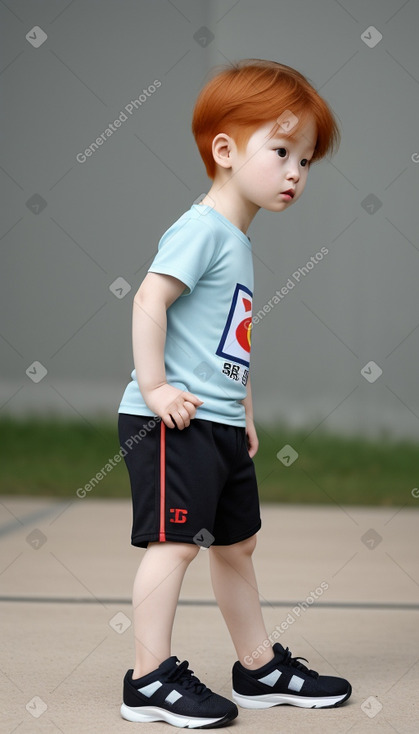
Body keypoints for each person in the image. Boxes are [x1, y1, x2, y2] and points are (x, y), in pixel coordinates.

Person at [117, 58, 352, 728]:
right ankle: (148, 679)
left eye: (304, 161)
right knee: (175, 545)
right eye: (281, 152)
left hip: (215, 420)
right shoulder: (200, 230)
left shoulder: (236, 239)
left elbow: (226, 341)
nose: (294, 173)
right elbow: (148, 301)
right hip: (173, 419)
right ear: (224, 150)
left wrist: (241, 412)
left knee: (235, 544)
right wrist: (156, 388)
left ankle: (257, 668)